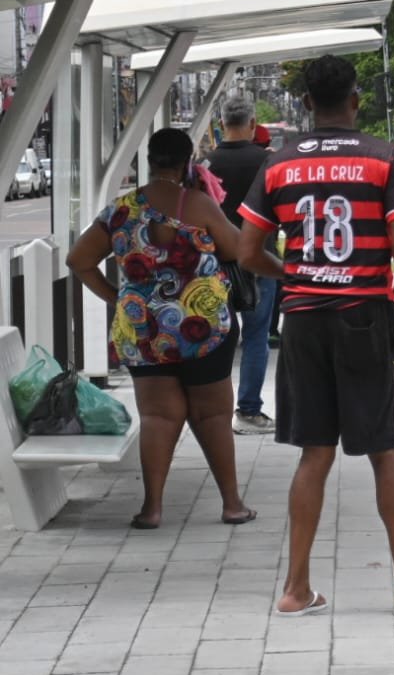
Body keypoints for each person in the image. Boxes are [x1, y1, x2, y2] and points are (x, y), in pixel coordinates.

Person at [238, 55, 394, 618]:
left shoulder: (277, 164)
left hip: (303, 319)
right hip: (364, 315)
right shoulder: (386, 158)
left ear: (305, 104)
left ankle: (295, 588)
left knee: (315, 452)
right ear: (357, 100)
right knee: (384, 449)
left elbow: (246, 251)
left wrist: (295, 275)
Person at [66, 128, 276, 529]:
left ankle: (152, 509)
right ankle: (232, 505)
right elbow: (237, 251)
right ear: (185, 163)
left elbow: (79, 260)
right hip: (204, 329)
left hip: (144, 332)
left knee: (159, 418)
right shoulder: (198, 204)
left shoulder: (121, 209)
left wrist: (118, 297)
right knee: (213, 415)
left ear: (150, 160)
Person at [203, 93, 277, 434]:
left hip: (214, 265)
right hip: (261, 260)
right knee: (256, 336)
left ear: (220, 126)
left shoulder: (205, 166)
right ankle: (247, 410)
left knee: (214, 337)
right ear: (252, 124)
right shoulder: (270, 162)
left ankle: (211, 413)